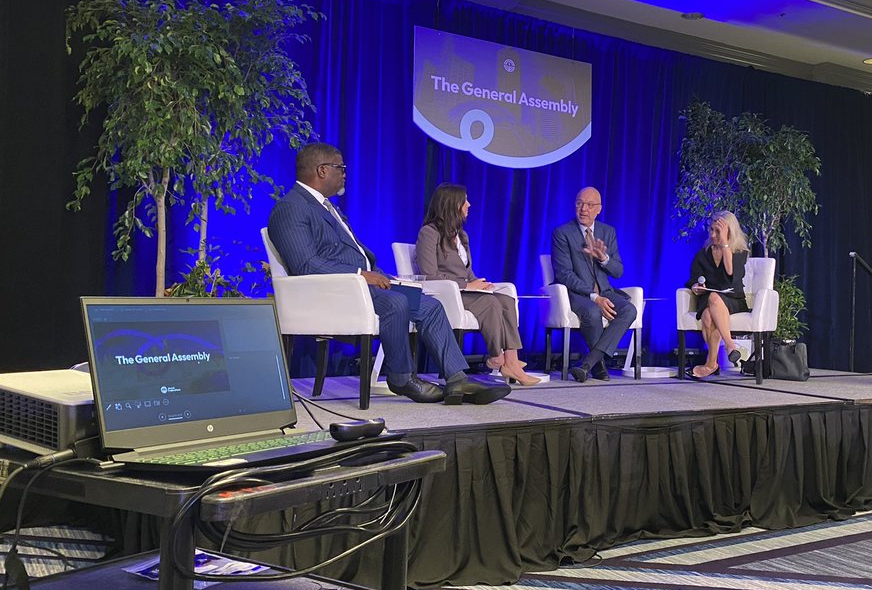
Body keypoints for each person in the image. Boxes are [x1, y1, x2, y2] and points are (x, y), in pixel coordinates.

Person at [267, 143, 510, 406]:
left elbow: (351, 253)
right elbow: (305, 264)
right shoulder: (291, 207)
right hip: (333, 291)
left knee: (430, 306)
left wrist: (381, 275)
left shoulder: (328, 208)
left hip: (358, 284)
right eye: (341, 168)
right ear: (323, 170)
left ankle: (457, 378)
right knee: (397, 302)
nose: (345, 174)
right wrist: (361, 273)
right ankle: (402, 378)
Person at [415, 183, 539, 386]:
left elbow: (467, 272)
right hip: (446, 294)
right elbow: (429, 274)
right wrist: (466, 286)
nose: (469, 205)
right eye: (465, 201)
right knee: (491, 304)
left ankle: (512, 361)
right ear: (452, 204)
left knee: (506, 299)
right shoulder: (428, 233)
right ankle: (496, 356)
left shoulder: (462, 236)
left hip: (465, 291)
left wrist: (479, 283)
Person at [551, 186, 637, 382]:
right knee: (592, 311)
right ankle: (598, 366)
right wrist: (594, 297)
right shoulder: (562, 233)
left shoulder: (608, 232)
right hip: (578, 294)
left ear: (599, 209)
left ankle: (588, 363)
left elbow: (618, 271)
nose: (583, 209)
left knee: (629, 310)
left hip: (606, 291)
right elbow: (564, 274)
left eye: (589, 205)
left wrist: (604, 258)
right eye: (580, 204)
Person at [686, 211, 750, 379]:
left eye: (718, 232)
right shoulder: (703, 253)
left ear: (729, 232)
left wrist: (724, 244)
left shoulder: (740, 252)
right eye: (712, 230)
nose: (713, 235)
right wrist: (696, 287)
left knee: (713, 303)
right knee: (708, 312)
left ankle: (717, 357)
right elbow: (693, 279)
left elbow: (731, 276)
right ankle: (717, 358)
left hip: (733, 299)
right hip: (708, 299)